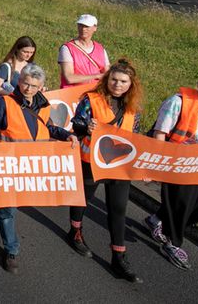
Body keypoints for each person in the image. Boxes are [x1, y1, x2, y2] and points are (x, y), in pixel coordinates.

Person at [0, 64, 79, 274]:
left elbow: (46, 127)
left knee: (8, 204)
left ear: (42, 87)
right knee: (10, 208)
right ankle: (12, 249)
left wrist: (65, 134)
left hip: (29, 166)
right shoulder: (6, 102)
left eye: (34, 86)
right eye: (25, 83)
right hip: (5, 163)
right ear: (18, 81)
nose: (28, 89)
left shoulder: (43, 106)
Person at [66, 60, 144, 282]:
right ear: (107, 79)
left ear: (131, 84)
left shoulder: (133, 108)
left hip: (119, 166)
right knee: (83, 200)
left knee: (118, 209)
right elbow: (76, 125)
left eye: (123, 81)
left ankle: (118, 256)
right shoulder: (91, 100)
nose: (117, 85)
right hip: (91, 161)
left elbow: (135, 136)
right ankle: (75, 231)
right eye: (114, 80)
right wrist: (85, 127)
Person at [145, 69, 198, 271]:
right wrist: (159, 165)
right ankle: (172, 244)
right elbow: (160, 132)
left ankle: (156, 219)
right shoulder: (178, 101)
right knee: (182, 203)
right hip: (179, 163)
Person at [58, 14, 110, 88]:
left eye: (86, 26)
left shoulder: (100, 49)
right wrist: (96, 76)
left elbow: (107, 74)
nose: (83, 29)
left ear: (95, 28)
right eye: (80, 25)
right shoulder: (67, 48)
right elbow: (69, 78)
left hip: (96, 93)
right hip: (72, 93)